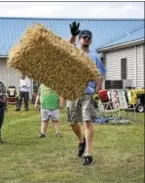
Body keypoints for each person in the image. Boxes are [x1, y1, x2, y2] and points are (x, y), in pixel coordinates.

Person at [67, 22, 106, 165]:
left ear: (91, 40)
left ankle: (88, 154)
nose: (86, 39)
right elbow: (63, 48)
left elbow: (99, 75)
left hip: (87, 94)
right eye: (83, 37)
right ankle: (81, 140)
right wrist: (72, 35)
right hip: (72, 92)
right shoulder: (74, 52)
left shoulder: (95, 57)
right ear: (80, 39)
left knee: (87, 122)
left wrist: (98, 91)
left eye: (88, 37)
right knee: (72, 122)